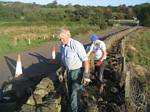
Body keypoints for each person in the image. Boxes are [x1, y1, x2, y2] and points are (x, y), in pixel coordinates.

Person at [57, 27, 90, 112]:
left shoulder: (76, 45)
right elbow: (64, 60)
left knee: (74, 95)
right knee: (70, 92)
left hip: (77, 72)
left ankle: (74, 110)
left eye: (62, 38)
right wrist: (61, 72)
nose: (61, 40)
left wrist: (86, 75)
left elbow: (86, 60)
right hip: (68, 73)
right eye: (59, 39)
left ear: (68, 36)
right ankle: (74, 109)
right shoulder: (62, 46)